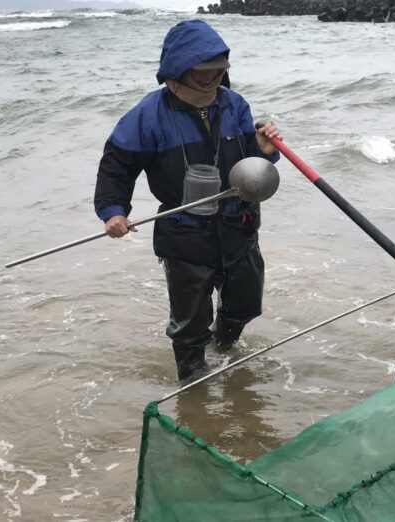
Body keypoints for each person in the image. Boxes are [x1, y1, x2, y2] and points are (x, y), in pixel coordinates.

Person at [94, 19, 281, 381]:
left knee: (244, 305)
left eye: (218, 71)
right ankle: (193, 389)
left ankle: (225, 355)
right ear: (177, 71)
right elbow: (116, 166)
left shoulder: (235, 105)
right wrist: (113, 212)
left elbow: (250, 167)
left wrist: (264, 151)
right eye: (202, 73)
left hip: (239, 226)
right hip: (184, 233)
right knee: (190, 325)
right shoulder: (147, 115)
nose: (211, 80)